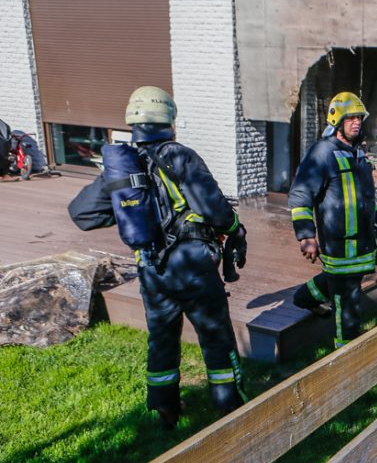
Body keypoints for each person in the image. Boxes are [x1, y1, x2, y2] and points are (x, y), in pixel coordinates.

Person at [68, 86, 248, 429]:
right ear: (169, 118)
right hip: (192, 265)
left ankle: (167, 411)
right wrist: (236, 227)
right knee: (215, 336)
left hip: (151, 268)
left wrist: (126, 206)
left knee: (162, 339)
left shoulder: (123, 168)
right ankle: (230, 408)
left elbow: (82, 214)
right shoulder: (180, 156)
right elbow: (215, 211)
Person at [289, 92, 377, 348]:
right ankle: (346, 357)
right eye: (350, 118)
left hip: (363, 244)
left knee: (343, 285)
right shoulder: (322, 153)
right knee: (347, 304)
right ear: (337, 120)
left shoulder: (357, 152)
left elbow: (365, 195)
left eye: (359, 118)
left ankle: (303, 298)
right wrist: (306, 236)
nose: (356, 122)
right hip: (340, 246)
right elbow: (301, 195)